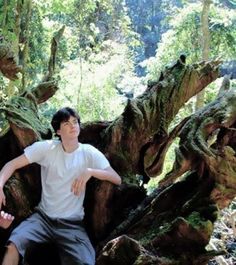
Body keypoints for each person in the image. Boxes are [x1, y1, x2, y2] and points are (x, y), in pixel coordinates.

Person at [0, 107, 121, 265]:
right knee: (14, 244)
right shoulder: (47, 148)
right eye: (66, 123)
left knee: (86, 261)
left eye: (75, 122)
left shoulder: (89, 153)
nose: (73, 125)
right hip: (42, 219)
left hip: (72, 225)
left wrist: (90, 171)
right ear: (58, 130)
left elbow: (116, 178)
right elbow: (12, 164)